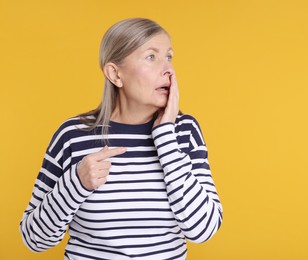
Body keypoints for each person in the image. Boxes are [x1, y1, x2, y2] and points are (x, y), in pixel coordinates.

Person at [20, 18, 223, 260]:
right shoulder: (72, 135)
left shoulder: (184, 131)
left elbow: (203, 230)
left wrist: (166, 138)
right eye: (151, 57)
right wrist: (76, 183)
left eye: (168, 57)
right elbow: (34, 239)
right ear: (115, 74)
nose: (168, 69)